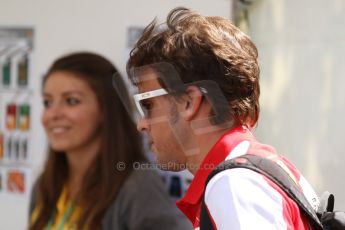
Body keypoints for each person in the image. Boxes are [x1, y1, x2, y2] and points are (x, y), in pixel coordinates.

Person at [121, 7, 321, 230]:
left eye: (148, 105)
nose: (141, 124)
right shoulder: (259, 169)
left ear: (189, 102)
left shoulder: (234, 184)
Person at [29, 52, 189, 230]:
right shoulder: (45, 185)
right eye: (47, 102)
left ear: (106, 109)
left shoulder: (137, 187)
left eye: (71, 101)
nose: (53, 114)